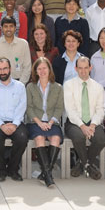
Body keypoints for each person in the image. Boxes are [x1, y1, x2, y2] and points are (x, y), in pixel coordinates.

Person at [0, 57, 29, 181]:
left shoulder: (20, 86)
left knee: (22, 138)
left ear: (10, 69)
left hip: (15, 121)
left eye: (5, 68)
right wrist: (1, 125)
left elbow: (22, 107)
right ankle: (1, 170)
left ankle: (13, 169)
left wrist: (14, 124)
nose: (2, 72)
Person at [64, 57, 105, 180]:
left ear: (90, 68)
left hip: (93, 121)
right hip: (74, 122)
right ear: (76, 69)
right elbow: (70, 110)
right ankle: (89, 165)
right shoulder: (68, 85)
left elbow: (100, 110)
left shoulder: (98, 87)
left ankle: (82, 164)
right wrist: (82, 126)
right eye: (80, 68)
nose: (83, 71)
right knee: (78, 137)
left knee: (100, 140)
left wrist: (92, 125)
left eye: (86, 68)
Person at [26, 57, 64, 187]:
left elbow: (59, 108)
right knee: (39, 138)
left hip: (52, 122)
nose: (42, 71)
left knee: (55, 138)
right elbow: (29, 108)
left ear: (49, 70)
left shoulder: (58, 87)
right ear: (35, 71)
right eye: (39, 68)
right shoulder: (30, 87)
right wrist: (39, 122)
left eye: (44, 68)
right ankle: (48, 175)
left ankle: (45, 173)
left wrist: (51, 122)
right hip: (35, 122)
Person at [0, 17, 31, 84]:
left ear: (15, 28)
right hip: (0, 83)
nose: (8, 29)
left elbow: (27, 67)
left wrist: (20, 84)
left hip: (19, 82)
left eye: (11, 26)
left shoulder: (23, 44)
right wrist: (1, 83)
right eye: (5, 26)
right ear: (2, 28)